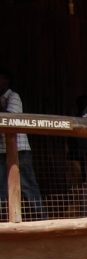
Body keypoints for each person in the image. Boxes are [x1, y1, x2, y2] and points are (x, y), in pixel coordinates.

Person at [0, 68, 44, 220]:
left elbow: (10, 120)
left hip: (20, 150)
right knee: (3, 189)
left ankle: (41, 219)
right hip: (2, 151)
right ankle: (6, 220)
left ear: (6, 80)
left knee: (28, 186)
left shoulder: (13, 97)